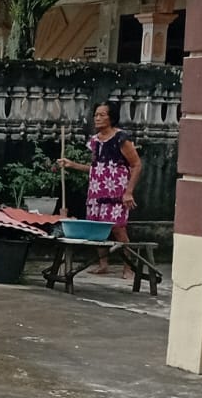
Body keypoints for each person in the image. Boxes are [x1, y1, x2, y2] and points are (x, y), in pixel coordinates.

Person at [59, 101, 143, 274]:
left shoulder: (121, 139)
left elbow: (136, 165)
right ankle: (103, 264)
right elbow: (96, 168)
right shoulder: (95, 141)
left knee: (118, 228)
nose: (97, 118)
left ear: (111, 118)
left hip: (117, 191)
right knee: (97, 228)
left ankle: (128, 267)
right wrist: (72, 165)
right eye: (96, 115)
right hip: (96, 190)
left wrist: (129, 192)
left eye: (102, 115)